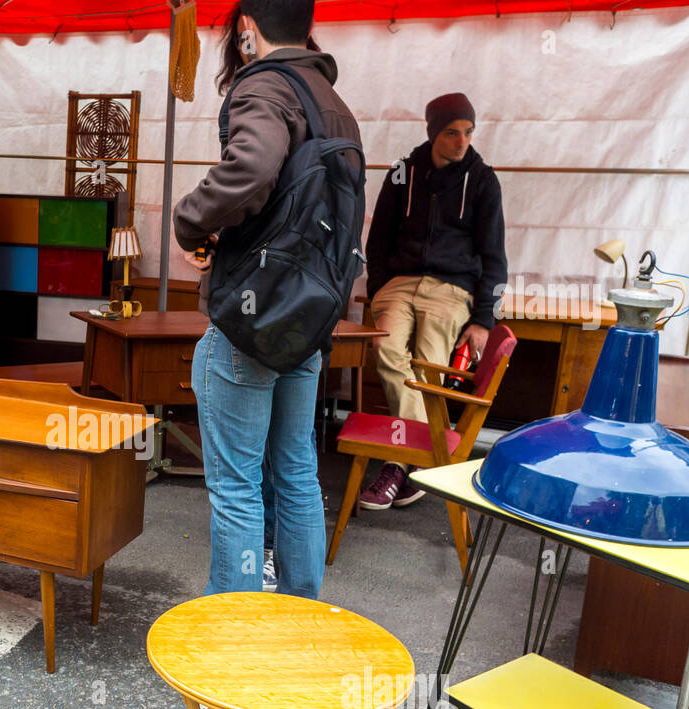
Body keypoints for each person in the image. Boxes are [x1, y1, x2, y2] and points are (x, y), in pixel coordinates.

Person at [173, 0, 362, 598]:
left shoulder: (265, 88)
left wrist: (189, 222)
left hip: (251, 316)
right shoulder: (336, 105)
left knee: (236, 486)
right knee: (298, 473)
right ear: (306, 27)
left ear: (246, 30)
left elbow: (252, 169)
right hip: (307, 317)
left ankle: (237, 637)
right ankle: (301, 618)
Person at [361, 92, 507, 509]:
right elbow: (378, 239)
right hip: (399, 284)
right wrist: (378, 289)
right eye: (452, 133)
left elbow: (495, 256)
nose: (462, 141)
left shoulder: (482, 180)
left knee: (429, 369)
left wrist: (483, 319)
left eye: (468, 132)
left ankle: (397, 462)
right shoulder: (401, 175)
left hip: (453, 288)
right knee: (385, 348)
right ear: (433, 133)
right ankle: (419, 461)